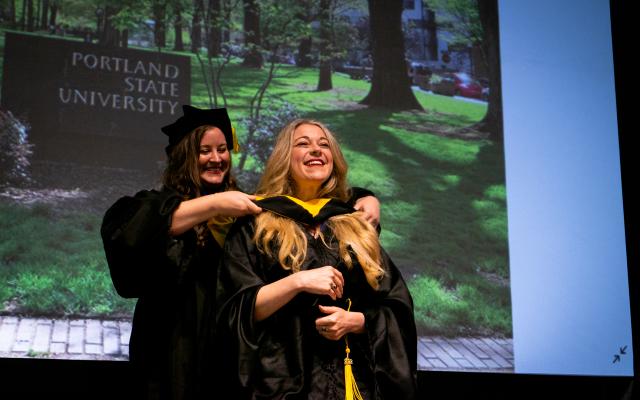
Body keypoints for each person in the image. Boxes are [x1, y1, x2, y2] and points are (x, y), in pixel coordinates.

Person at [100, 106, 380, 400]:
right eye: (204, 151)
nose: (216, 158)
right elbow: (132, 233)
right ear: (185, 157)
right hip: (175, 345)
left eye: (222, 149)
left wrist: (365, 198)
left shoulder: (243, 208)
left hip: (232, 347)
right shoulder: (162, 206)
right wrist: (216, 204)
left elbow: (304, 202)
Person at [216, 119, 417, 399]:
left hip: (353, 383)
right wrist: (297, 281)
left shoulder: (354, 227)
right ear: (285, 157)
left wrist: (358, 321)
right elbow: (237, 310)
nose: (316, 150)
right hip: (282, 384)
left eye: (324, 145)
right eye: (303, 144)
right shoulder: (255, 226)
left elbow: (396, 305)